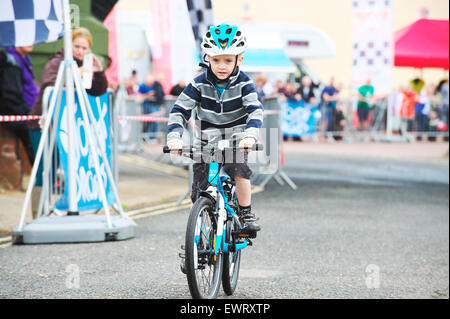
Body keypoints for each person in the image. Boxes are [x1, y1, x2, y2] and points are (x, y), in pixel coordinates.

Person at [166, 24, 263, 235]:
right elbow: (179, 111)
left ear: (239, 60)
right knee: (199, 191)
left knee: (240, 171)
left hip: (235, 140)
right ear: (207, 58)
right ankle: (197, 236)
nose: (221, 65)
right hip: (205, 143)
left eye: (228, 60)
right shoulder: (198, 84)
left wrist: (250, 136)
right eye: (216, 59)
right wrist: (174, 137)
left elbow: (255, 111)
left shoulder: (245, 84)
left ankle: (245, 213)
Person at [28, 27, 108, 218]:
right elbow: (48, 85)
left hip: (67, 126)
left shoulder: (85, 64)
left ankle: (59, 209)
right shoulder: (57, 62)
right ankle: (38, 215)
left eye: (84, 48)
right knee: (43, 170)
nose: (80, 51)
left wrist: (98, 73)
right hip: (45, 123)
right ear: (69, 45)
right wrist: (75, 74)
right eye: (77, 46)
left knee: (63, 167)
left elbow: (97, 91)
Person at [0, 46, 38, 167]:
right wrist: (26, 115)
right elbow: (11, 95)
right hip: (18, 114)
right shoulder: (11, 61)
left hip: (30, 112)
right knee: (33, 145)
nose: (31, 42)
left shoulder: (25, 58)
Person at [138, 72, 165, 141]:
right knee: (148, 122)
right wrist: (148, 95)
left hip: (152, 106)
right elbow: (139, 96)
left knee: (153, 122)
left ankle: (152, 137)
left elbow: (157, 94)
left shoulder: (154, 85)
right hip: (145, 106)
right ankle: (149, 137)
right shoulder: (143, 86)